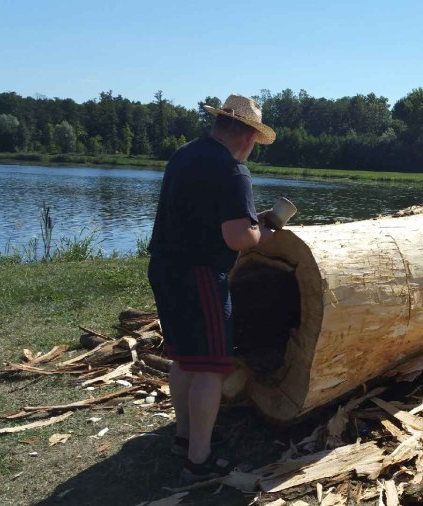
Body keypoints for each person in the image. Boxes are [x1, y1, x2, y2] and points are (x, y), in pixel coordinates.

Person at [147, 94, 276, 482]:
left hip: (165, 267)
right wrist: (262, 232)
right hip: (200, 273)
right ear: (249, 136)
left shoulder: (185, 154)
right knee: (211, 367)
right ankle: (198, 461)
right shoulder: (232, 170)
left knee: (184, 358)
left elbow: (202, 212)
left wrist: (250, 220)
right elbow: (238, 237)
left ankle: (184, 438)